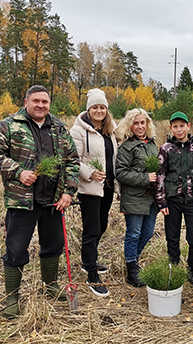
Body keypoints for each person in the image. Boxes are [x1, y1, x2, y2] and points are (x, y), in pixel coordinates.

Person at [0, 85, 79, 319]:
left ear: (49, 104)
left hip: (53, 202)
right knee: (16, 249)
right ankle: (12, 298)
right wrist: (18, 172)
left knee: (53, 246)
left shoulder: (58, 127)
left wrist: (68, 192)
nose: (41, 105)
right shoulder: (10, 124)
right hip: (22, 202)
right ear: (25, 102)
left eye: (45, 102)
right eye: (36, 101)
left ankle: (50, 285)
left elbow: (72, 160)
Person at [70, 88, 118, 297]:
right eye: (95, 107)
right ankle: (91, 274)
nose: (99, 111)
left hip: (107, 186)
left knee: (103, 225)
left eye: (102, 107)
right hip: (89, 187)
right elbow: (73, 159)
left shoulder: (111, 130)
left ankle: (88, 260)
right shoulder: (78, 131)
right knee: (91, 229)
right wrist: (90, 173)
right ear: (88, 109)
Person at [156, 112, 193, 286]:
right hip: (172, 201)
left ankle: (192, 270)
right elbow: (161, 175)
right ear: (171, 128)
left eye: (182, 125)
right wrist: (161, 201)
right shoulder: (166, 148)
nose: (179, 129)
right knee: (172, 238)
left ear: (188, 126)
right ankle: (174, 268)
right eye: (175, 126)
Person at [115, 108, 158, 287]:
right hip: (134, 198)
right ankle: (131, 269)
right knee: (134, 233)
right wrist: (145, 178)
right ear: (129, 125)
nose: (140, 126)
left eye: (143, 123)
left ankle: (135, 260)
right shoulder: (127, 147)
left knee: (147, 233)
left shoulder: (152, 144)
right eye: (136, 123)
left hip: (152, 198)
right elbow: (121, 173)